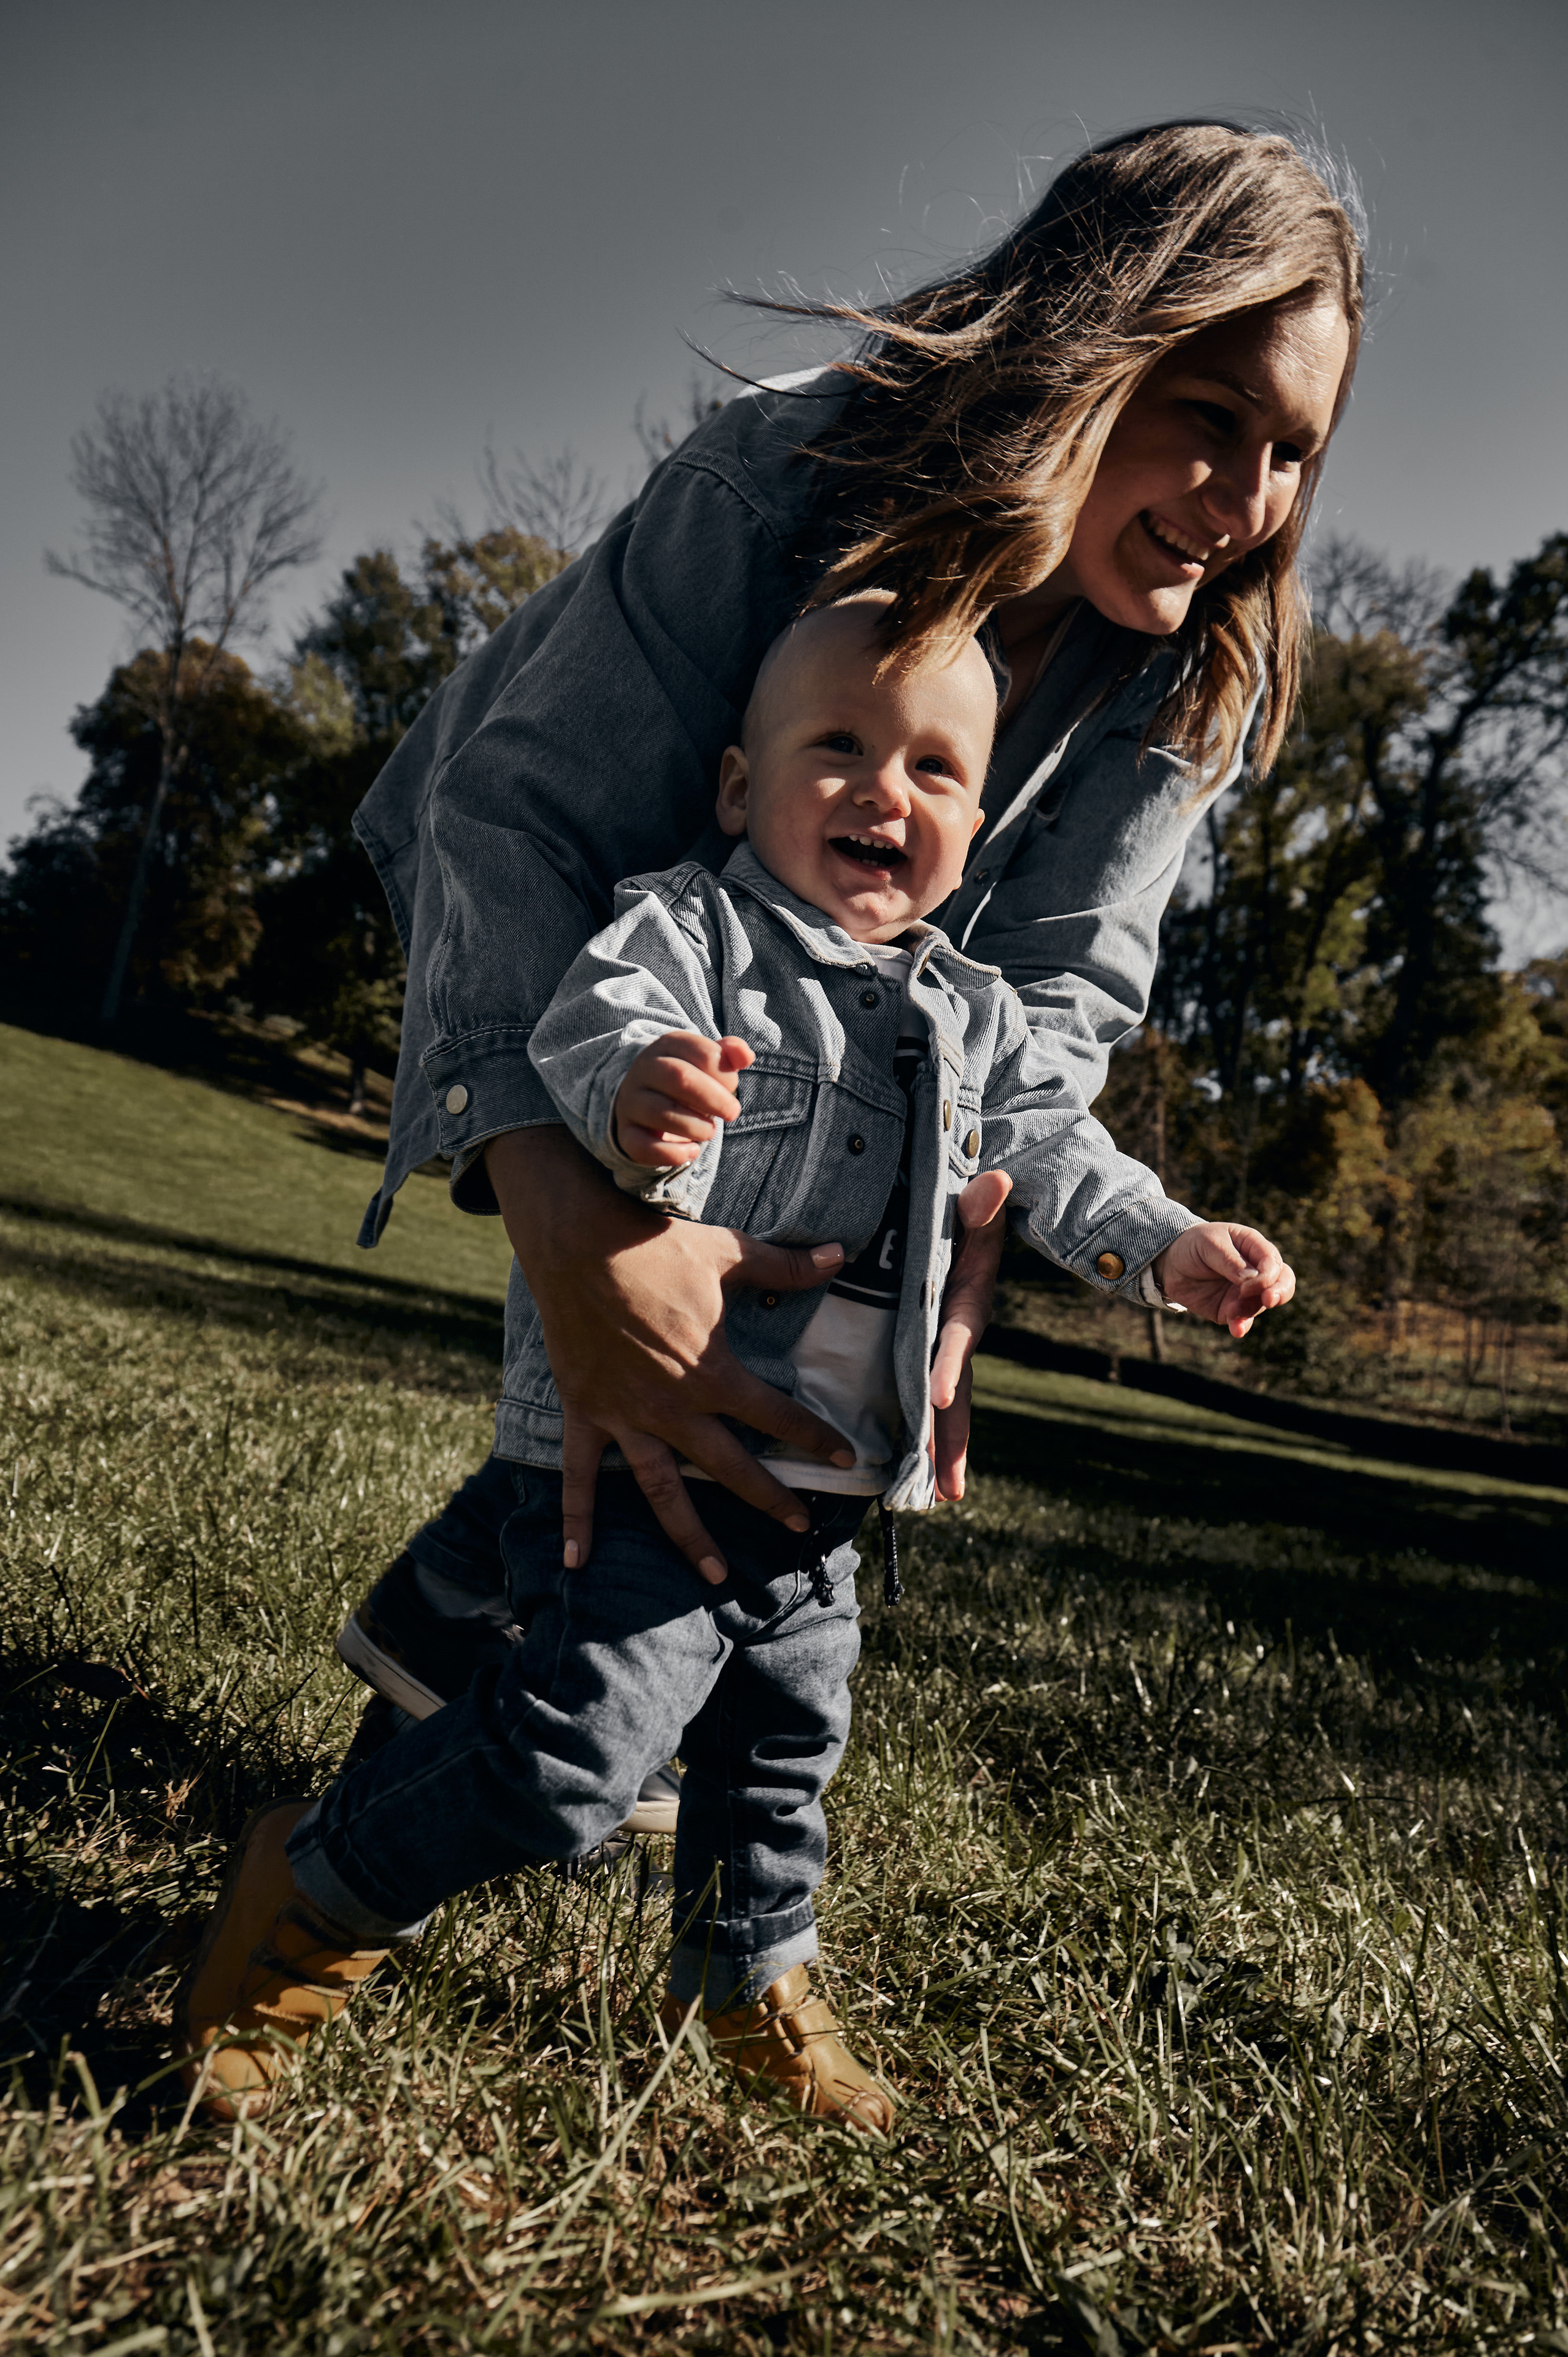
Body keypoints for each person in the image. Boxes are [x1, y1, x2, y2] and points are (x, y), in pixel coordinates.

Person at [328, 122, 1364, 1847]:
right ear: (1093, 346)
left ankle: (453, 1624)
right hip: (587, 904)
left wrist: (948, 1268)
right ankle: (412, 1780)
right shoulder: (780, 478)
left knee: (776, 1352)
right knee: (632, 1313)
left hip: (855, 1003)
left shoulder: (1188, 672)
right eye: (1210, 418)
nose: (1247, 502)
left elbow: (1044, 1008)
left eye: (1291, 455)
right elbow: (520, 835)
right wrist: (585, 1247)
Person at [174, 597, 1294, 2127]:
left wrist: (1165, 1245)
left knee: (776, 1768)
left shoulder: (968, 1014)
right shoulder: (689, 930)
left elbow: (1053, 1151)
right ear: (734, 787)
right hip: (661, 1448)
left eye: (933, 769)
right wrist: (637, 1090)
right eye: (835, 746)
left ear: (971, 822)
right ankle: (311, 1883)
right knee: (573, 1763)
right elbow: (589, 1020)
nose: (882, 790)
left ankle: (745, 1978)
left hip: (825, 1481)